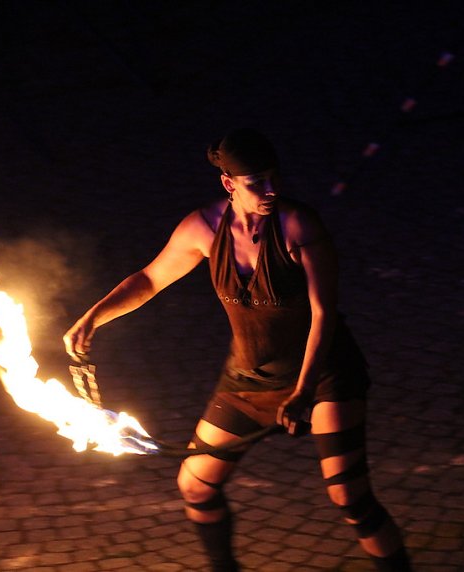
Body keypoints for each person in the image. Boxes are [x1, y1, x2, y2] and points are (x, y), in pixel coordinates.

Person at [64, 129, 411, 571]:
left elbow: (324, 315)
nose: (270, 190)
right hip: (248, 380)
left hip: (322, 374)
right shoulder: (203, 229)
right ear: (229, 183)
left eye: (273, 177)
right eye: (255, 182)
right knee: (195, 486)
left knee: (349, 496)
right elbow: (150, 279)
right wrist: (94, 316)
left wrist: (302, 392)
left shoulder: (298, 226)